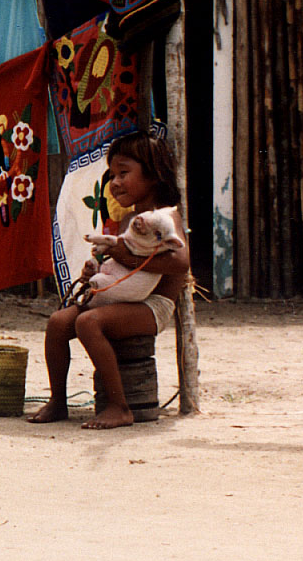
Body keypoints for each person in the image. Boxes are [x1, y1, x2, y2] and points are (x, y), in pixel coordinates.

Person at [29, 130, 190, 430]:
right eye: (112, 175)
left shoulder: (166, 217)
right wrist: (96, 271)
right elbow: (121, 262)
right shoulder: (129, 220)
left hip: (152, 305)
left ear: (153, 175)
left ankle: (119, 407)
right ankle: (58, 401)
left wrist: (122, 255)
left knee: (88, 323)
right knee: (58, 322)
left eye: (123, 173)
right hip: (122, 296)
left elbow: (181, 262)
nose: (114, 183)